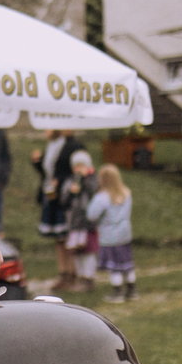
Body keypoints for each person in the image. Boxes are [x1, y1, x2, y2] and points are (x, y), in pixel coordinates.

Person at [30, 129, 86, 290]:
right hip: (52, 196)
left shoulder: (73, 146)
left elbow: (76, 172)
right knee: (59, 238)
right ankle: (64, 272)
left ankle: (74, 272)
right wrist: (37, 163)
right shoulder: (51, 146)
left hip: (66, 198)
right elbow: (48, 173)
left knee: (68, 236)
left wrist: (60, 182)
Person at [86, 163, 137, 302]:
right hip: (125, 233)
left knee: (114, 265)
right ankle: (132, 289)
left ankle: (118, 291)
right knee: (127, 262)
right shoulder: (126, 193)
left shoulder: (102, 197)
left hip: (109, 235)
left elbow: (91, 215)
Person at [62, 149, 99, 292]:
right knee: (76, 251)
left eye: (81, 165)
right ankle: (80, 276)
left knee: (89, 250)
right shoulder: (70, 181)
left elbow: (94, 194)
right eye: (76, 166)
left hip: (88, 222)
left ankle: (89, 277)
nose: (78, 169)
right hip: (74, 222)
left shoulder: (92, 180)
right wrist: (71, 193)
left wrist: (84, 181)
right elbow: (64, 201)